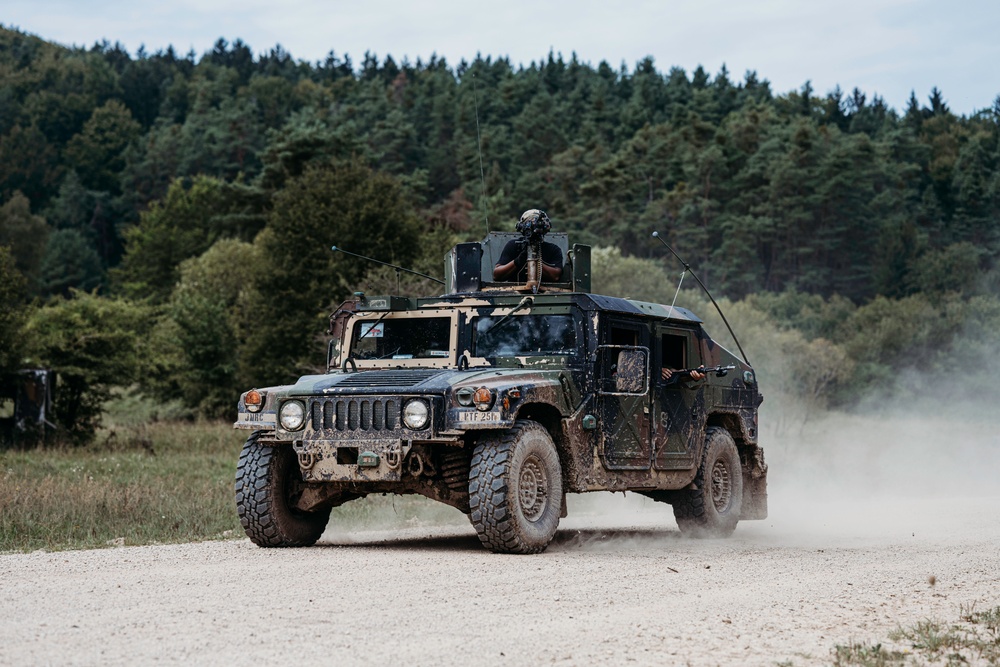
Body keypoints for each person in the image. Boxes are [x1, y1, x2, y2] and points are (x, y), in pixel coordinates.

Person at [493, 209, 564, 282]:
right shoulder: (514, 246)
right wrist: (518, 261)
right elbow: (496, 275)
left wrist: (536, 261)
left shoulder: (553, 249)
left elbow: (555, 276)